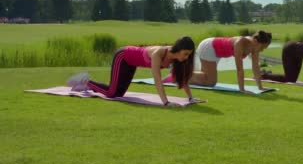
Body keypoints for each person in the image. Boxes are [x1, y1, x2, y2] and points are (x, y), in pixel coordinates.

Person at [68, 36, 199, 107]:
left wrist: (191, 98)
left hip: (132, 63)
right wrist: (166, 102)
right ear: (179, 48)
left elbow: (183, 78)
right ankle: (85, 80)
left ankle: (86, 85)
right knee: (111, 93)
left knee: (118, 93)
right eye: (186, 53)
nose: (186, 57)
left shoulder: (177, 59)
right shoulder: (159, 53)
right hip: (124, 56)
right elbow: (157, 80)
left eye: (189, 55)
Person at [188, 30, 273, 93]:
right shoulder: (240, 43)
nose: (262, 50)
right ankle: (180, 75)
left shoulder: (254, 47)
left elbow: (255, 67)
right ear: (255, 41)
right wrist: (242, 89)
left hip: (216, 52)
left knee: (206, 78)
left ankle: (182, 75)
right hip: (209, 47)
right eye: (262, 47)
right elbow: (239, 69)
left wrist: (260, 87)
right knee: (211, 82)